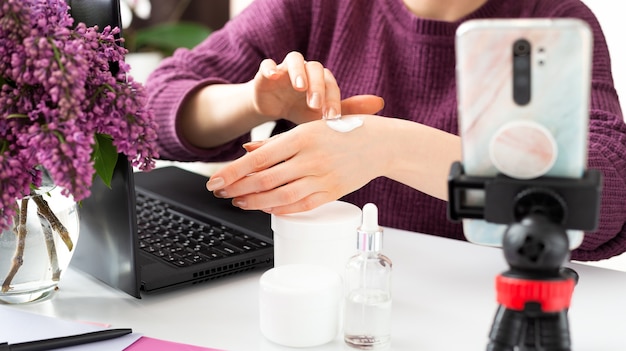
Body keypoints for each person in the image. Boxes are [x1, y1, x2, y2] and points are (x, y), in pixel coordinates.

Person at [145, 0, 626, 261]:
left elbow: (607, 197)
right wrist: (252, 100)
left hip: (473, 310)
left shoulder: (553, 20)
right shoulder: (315, 7)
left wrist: (388, 148)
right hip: (321, 292)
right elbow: (149, 110)